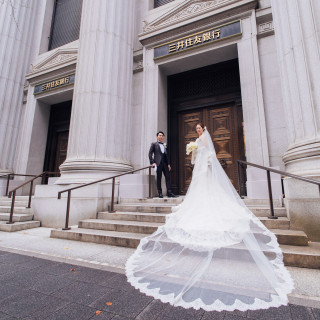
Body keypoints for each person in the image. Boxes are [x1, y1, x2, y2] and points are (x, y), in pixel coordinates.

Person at [126, 122, 293, 312]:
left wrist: (197, 150)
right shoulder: (164, 144)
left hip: (204, 166)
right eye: (196, 129)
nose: (198, 131)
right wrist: (192, 151)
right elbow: (185, 152)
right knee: (182, 185)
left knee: (204, 188)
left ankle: (179, 196)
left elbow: (208, 151)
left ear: (203, 129)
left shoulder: (204, 138)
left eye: (199, 129)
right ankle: (162, 193)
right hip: (193, 166)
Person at [148, 131, 177, 198]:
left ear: (163, 137)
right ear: (157, 136)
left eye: (162, 135)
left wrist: (169, 164)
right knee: (159, 178)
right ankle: (160, 193)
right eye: (159, 135)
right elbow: (150, 154)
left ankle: (169, 192)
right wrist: (152, 162)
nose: (161, 136)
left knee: (168, 177)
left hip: (165, 164)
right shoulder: (154, 144)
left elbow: (166, 155)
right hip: (158, 163)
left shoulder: (164, 144)